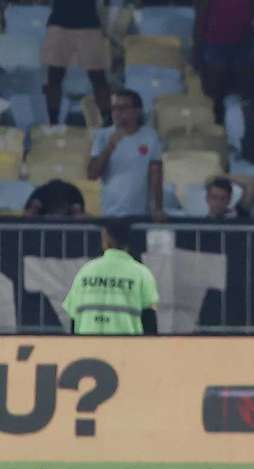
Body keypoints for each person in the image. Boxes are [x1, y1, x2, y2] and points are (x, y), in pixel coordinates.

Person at [63, 219, 159, 335]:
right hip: (127, 344)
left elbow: (74, 317)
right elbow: (149, 321)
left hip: (87, 343)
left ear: (106, 239)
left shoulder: (85, 271)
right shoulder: (142, 274)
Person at [193, 0, 254, 123]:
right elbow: (200, 15)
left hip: (243, 43)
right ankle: (216, 127)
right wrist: (196, 51)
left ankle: (243, 128)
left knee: (243, 94)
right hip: (215, 43)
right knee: (214, 93)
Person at [87, 89, 164, 220]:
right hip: (110, 213)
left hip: (141, 214)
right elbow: (92, 174)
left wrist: (157, 208)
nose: (117, 112)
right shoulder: (102, 136)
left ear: (137, 111)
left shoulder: (150, 136)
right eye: (114, 108)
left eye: (123, 108)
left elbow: (156, 175)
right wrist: (109, 147)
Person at [40, 0, 111, 125]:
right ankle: (53, 122)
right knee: (54, 77)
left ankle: (108, 119)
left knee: (98, 78)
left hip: (88, 24)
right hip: (60, 23)